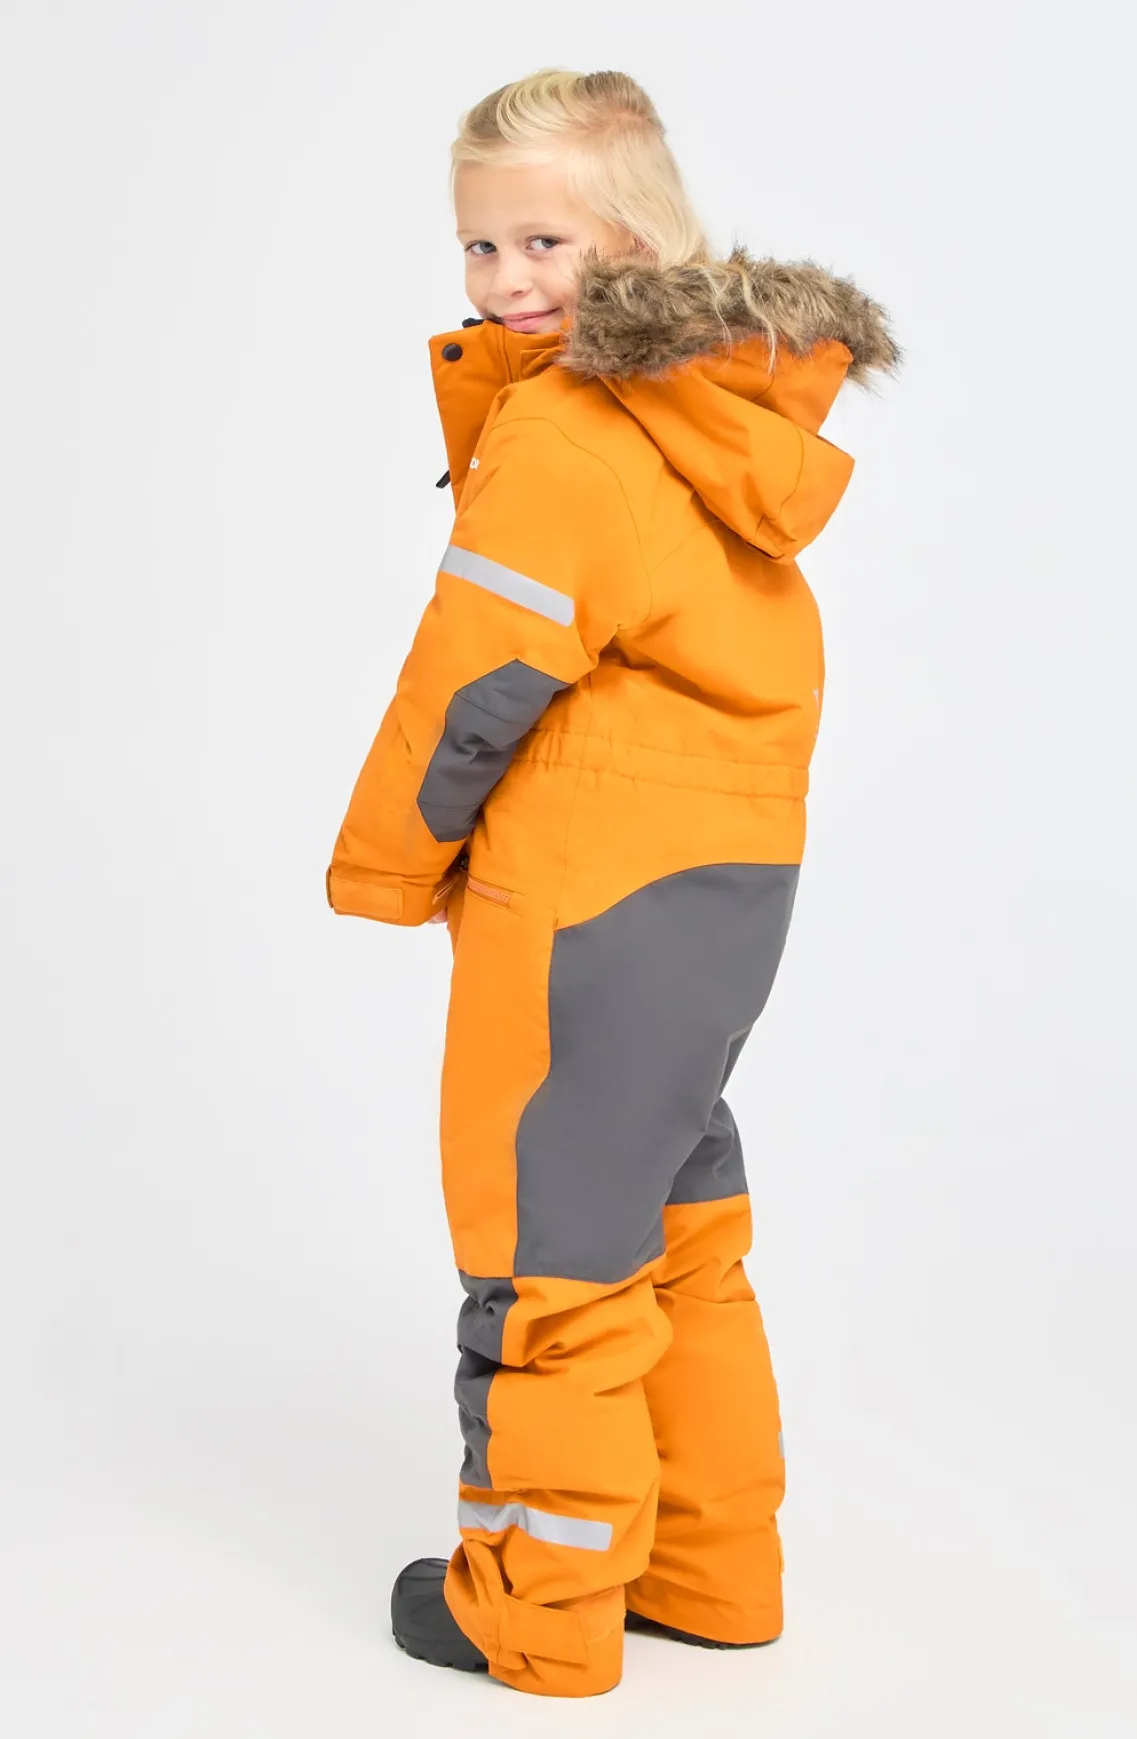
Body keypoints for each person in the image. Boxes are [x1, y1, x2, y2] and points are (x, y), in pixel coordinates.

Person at [325, 67, 899, 1699]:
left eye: (544, 241)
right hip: (723, 886)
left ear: (636, 239)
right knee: (676, 1220)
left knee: (551, 1249)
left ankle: (539, 1608)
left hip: (582, 893)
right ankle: (710, 1569)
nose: (506, 278)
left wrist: (385, 865)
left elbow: (475, 677)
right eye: (480, 244)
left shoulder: (576, 428)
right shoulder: (719, 417)